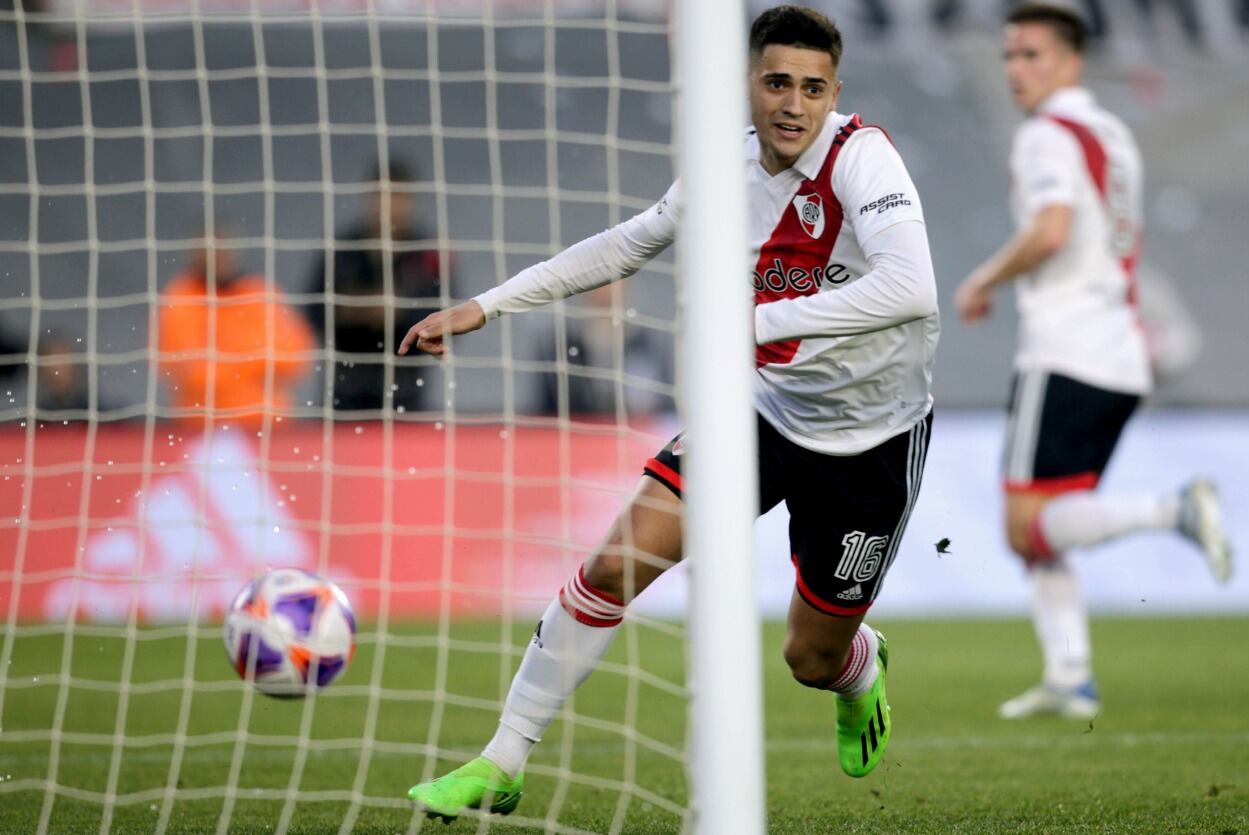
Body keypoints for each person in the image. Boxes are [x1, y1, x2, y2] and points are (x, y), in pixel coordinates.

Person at [399, 5, 938, 821]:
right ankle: (502, 757)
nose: (793, 104)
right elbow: (629, 241)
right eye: (777, 83)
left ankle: (858, 667)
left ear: (835, 94)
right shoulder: (725, 169)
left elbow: (911, 287)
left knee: (808, 654)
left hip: (873, 439)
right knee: (615, 566)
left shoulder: (864, 161)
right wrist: (487, 305)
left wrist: (753, 324)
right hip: (759, 412)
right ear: (749, 84)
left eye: (812, 88)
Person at [953, 3, 1232, 720]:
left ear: (1071, 61)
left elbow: (1051, 230)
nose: (1016, 69)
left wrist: (984, 278)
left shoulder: (1045, 135)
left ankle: (1170, 509)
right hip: (1120, 352)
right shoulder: (1113, 133)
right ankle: (1069, 673)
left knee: (1026, 526)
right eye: (1010, 54)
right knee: (1053, 521)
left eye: (1032, 55)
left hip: (1065, 347)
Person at [306, 158, 448, 413]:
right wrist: (353, 310)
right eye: (384, 195)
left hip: (407, 389)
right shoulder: (341, 250)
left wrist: (399, 313)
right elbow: (313, 311)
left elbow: (448, 318)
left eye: (399, 196)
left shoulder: (429, 253)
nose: (391, 205)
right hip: (344, 387)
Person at [158, 232, 315, 427]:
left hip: (267, 426)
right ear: (195, 255)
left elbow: (293, 359)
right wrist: (251, 360)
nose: (218, 257)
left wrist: (229, 358)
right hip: (201, 427)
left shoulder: (260, 292)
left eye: (223, 250)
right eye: (210, 251)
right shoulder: (180, 297)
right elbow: (192, 373)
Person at [528, 284, 672, 417]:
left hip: (634, 438)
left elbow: (663, 406)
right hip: (580, 437)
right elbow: (547, 408)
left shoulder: (646, 344)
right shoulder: (561, 346)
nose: (610, 290)